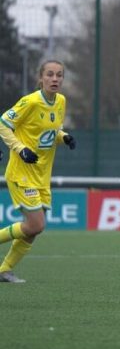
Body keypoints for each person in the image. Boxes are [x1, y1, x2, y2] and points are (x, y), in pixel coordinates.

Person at [0, 60, 76, 283]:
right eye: (50, 74)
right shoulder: (30, 101)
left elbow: (53, 131)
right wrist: (20, 148)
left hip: (42, 176)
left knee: (33, 230)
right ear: (41, 78)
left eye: (59, 75)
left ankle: (4, 270)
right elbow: (3, 123)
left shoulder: (61, 101)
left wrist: (65, 137)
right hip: (22, 173)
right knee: (36, 224)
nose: (55, 79)